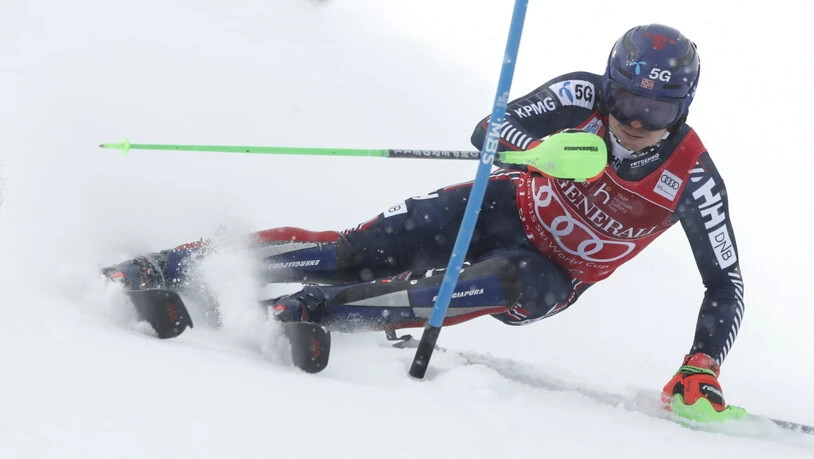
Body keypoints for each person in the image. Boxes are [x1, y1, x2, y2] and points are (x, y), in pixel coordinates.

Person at [104, 24, 742, 417]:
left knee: (496, 282)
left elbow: (725, 282)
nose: (634, 120)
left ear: (683, 107)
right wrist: (533, 152)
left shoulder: (692, 176)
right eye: (627, 99)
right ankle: (174, 263)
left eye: (656, 110)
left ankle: (316, 311)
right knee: (353, 249)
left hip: (551, 272)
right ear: (610, 85)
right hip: (504, 203)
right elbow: (490, 126)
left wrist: (701, 364)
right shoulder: (582, 96)